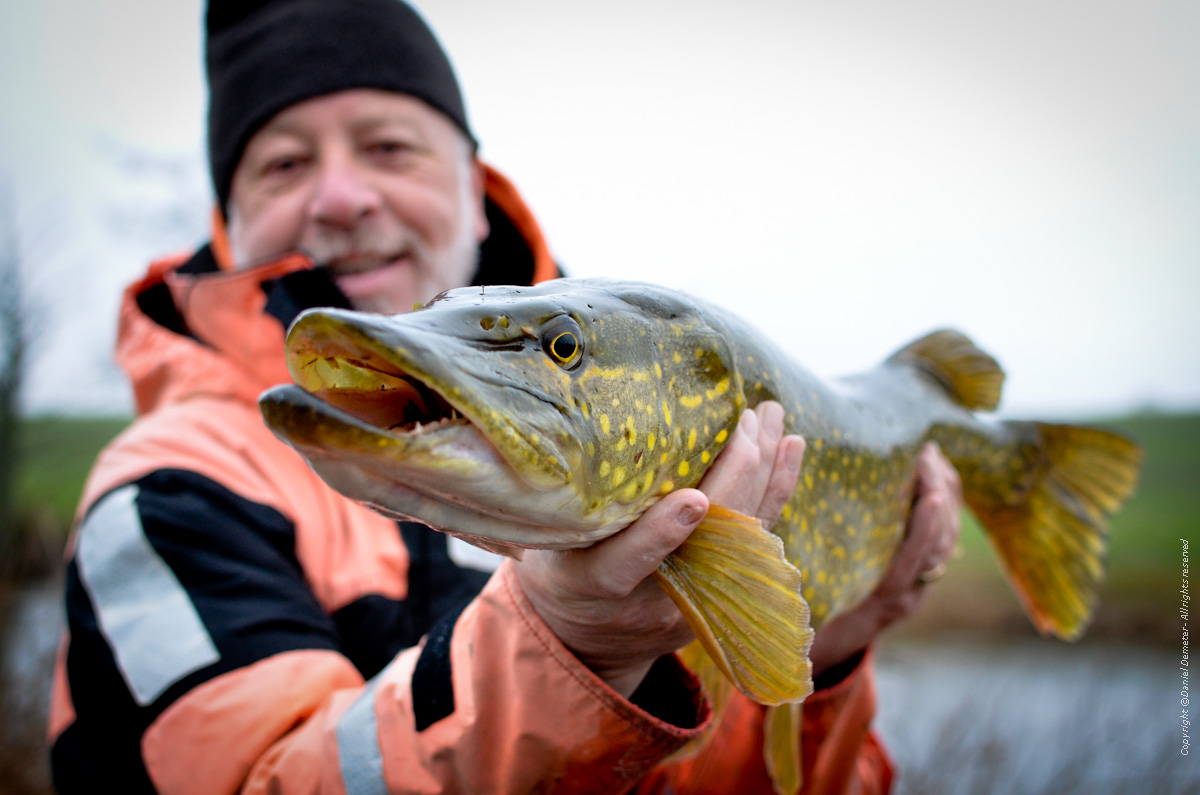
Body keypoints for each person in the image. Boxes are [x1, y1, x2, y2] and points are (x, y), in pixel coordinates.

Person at [48, 1, 963, 792]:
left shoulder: (625, 493)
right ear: (226, 222)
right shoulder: (169, 491)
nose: (340, 196)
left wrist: (833, 645)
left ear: (478, 192)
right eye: (283, 165)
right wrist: (571, 643)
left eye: (387, 145)